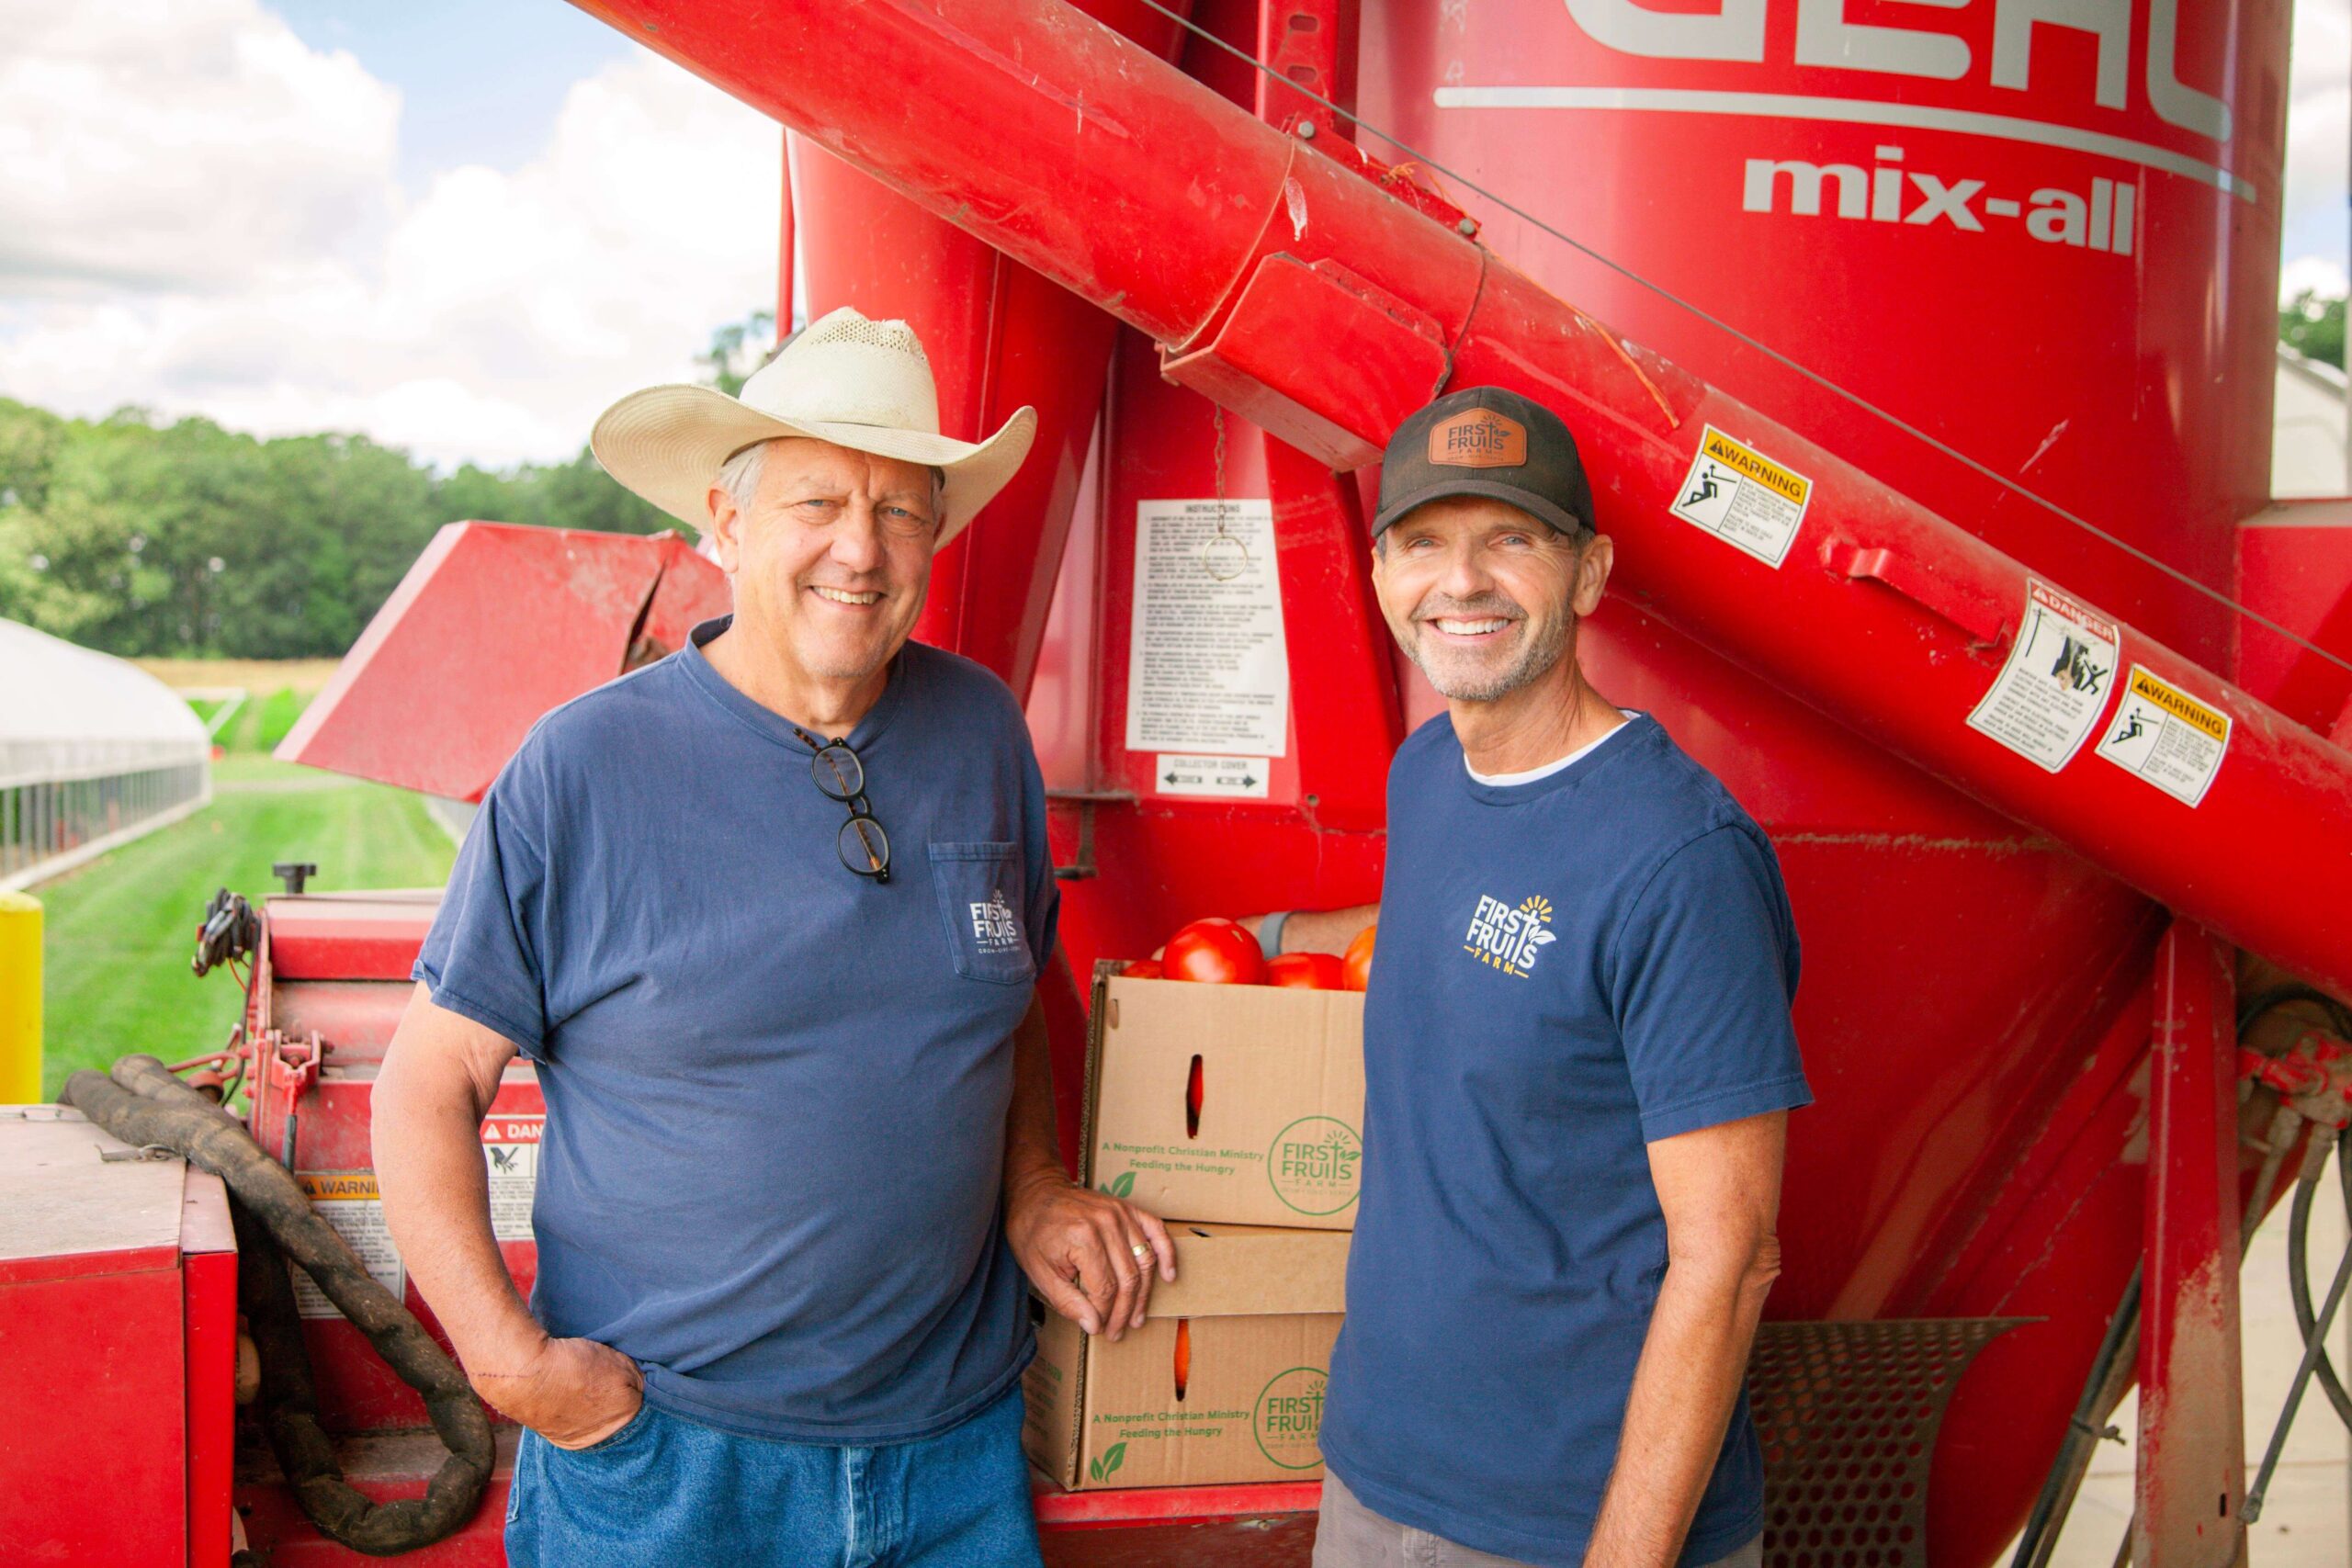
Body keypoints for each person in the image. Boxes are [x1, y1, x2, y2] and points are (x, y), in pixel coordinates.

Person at [371, 308, 1174, 1567]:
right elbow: (428, 1081)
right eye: (817, 501)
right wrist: (511, 1362)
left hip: (954, 1458)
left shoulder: (980, 732)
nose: (860, 547)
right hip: (670, 1467)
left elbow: (1007, 1002)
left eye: (900, 510)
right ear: (728, 522)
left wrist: (1031, 1191)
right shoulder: (585, 764)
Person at [1257, 387, 1809, 1568]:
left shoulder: (1680, 861)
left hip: (1572, 1524)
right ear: (1379, 573)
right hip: (1374, 1475)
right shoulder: (1428, 777)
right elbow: (1456, 940)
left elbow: (1730, 1256)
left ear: (1590, 573)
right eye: (1424, 543)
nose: (1462, 583)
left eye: (1510, 539)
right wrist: (1262, 938)